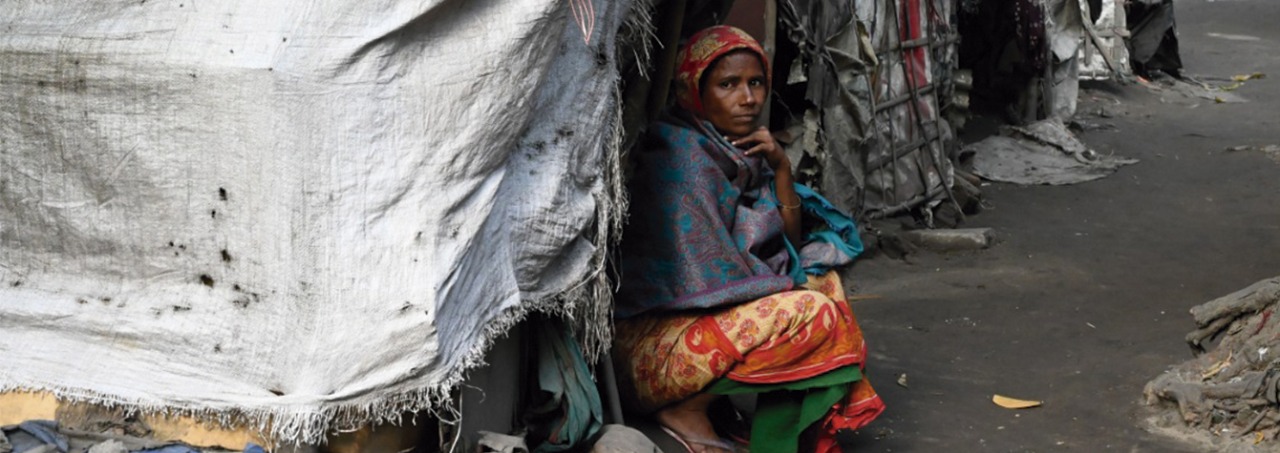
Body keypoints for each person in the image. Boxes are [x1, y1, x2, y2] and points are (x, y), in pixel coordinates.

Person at [613, 25, 885, 453]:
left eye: (755, 82)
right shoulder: (681, 162)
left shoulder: (732, 152)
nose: (748, 98)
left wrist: (780, 170)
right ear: (692, 91)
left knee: (824, 287)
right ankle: (685, 408)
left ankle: (764, 432)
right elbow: (706, 284)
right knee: (813, 312)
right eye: (728, 84)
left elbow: (787, 246)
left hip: (692, 331)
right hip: (647, 351)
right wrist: (792, 292)